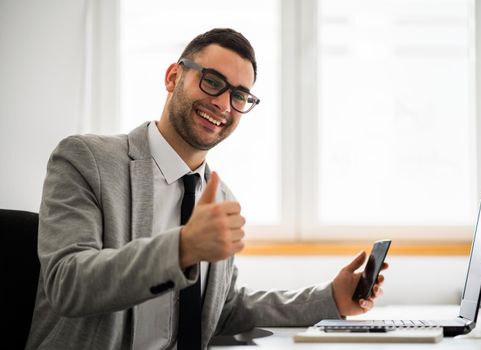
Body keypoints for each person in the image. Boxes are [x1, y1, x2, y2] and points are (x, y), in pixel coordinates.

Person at [26, 28, 387, 350]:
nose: (223, 104)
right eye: (213, 81)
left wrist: (330, 300)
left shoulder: (221, 198)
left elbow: (222, 310)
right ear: (173, 77)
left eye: (239, 96)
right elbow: (67, 282)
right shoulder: (86, 159)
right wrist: (182, 248)